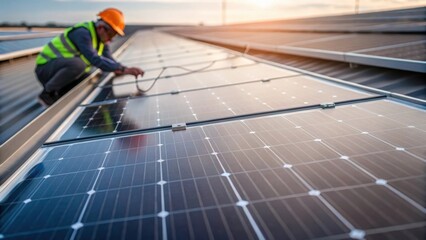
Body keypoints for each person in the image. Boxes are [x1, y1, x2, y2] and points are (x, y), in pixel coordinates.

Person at [35, 8, 144, 106]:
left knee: (88, 76)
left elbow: (109, 59)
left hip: (58, 70)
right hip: (45, 69)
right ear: (101, 28)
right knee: (78, 65)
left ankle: (60, 91)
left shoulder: (101, 40)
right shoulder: (82, 33)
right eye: (112, 34)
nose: (111, 39)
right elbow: (94, 59)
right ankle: (46, 93)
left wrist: (123, 68)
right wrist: (123, 69)